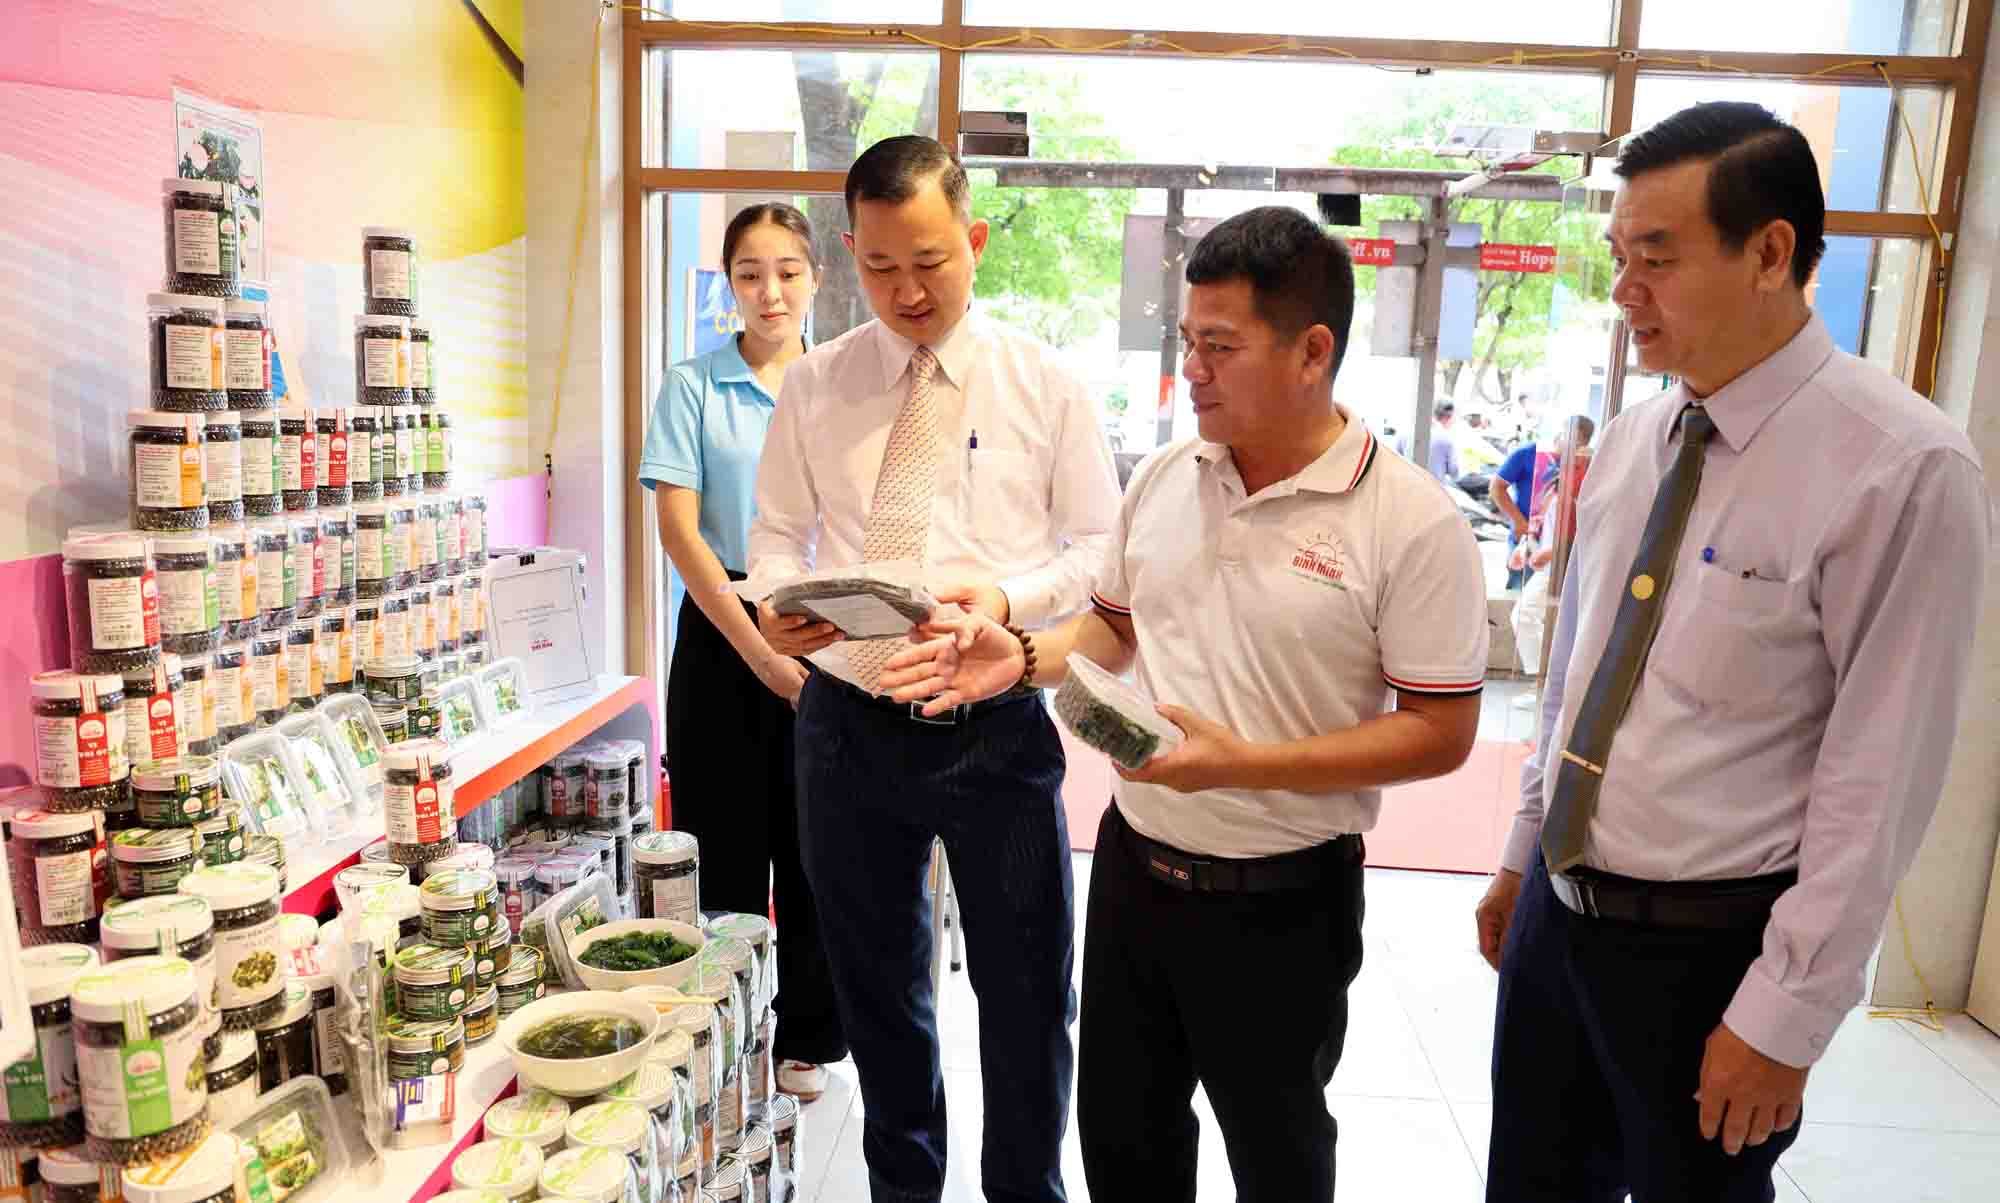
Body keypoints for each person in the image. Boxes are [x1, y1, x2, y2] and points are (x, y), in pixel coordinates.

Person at [878, 206, 1490, 1203]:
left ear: (1312, 352)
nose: (1192, 370)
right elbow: (1111, 631)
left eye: (1220, 347)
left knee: (1278, 1158)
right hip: (1135, 875)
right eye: (1186, 340)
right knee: (1125, 1150)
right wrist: (1019, 656)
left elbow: (1441, 731)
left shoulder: (1407, 519)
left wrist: (1241, 765)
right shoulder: (1166, 475)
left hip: (1284, 900)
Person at [1473, 101, 1990, 1202]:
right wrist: (1521, 855)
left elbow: (1879, 774)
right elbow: (1574, 679)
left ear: (1769, 253)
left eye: (1656, 259)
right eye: (1619, 255)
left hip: (1711, 958)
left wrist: (1785, 1015)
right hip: (1557, 926)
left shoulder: (1899, 468)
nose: (1624, 291)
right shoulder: (1634, 441)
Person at [746, 135, 1120, 1203]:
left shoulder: (1044, 383)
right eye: (878, 266)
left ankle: (1025, 1191)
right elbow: (774, 534)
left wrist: (1002, 600)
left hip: (993, 723)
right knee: (879, 996)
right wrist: (778, 602)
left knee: (1026, 995)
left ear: (976, 239)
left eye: (929, 261)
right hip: (846, 726)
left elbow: (1102, 550)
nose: (906, 291)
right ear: (848, 254)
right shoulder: (818, 382)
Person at [635, 203, 848, 1100]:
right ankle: (722, 1034)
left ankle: (806, 1034)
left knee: (815, 845)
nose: (771, 291)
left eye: (789, 271)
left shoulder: (840, 383)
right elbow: (680, 532)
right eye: (751, 274)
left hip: (826, 628)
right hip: (722, 630)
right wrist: (760, 652)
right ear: (729, 284)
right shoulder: (693, 385)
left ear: (816, 278)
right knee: (722, 844)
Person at [1492, 413, 1594, 589]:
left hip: (1561, 551)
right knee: (1521, 592)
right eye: (1570, 439)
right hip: (1528, 540)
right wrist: (1520, 523)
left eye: (1580, 444)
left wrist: (1555, 550)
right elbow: (1496, 487)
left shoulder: (1583, 466)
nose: (1573, 448)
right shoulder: (1529, 455)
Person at [1429, 400, 1460, 481]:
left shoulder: (1406, 431)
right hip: (1434, 486)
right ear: (1448, 417)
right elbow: (1454, 471)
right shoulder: (1447, 437)